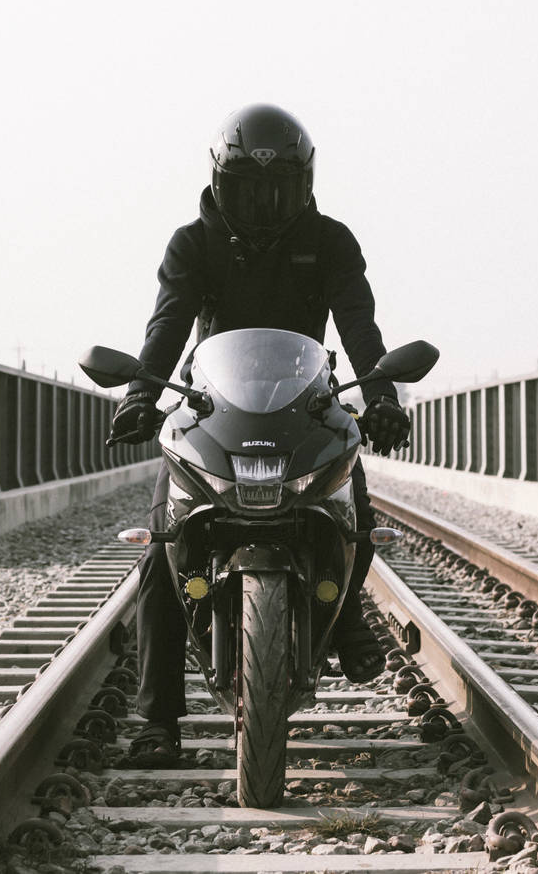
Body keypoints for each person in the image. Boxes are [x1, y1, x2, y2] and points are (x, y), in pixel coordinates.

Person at [110, 103, 410, 764]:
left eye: (279, 188)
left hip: (307, 400)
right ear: (222, 182)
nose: (266, 201)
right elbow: (167, 325)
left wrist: (383, 397)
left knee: (354, 504)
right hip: (213, 406)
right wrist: (140, 395)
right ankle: (158, 720)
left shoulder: (331, 241)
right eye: (249, 187)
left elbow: (359, 326)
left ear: (304, 184)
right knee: (163, 541)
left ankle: (347, 607)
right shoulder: (194, 244)